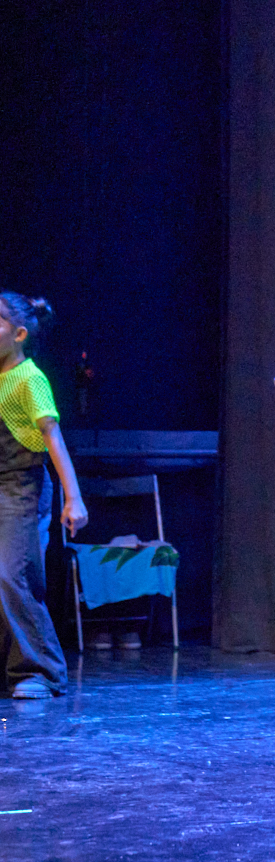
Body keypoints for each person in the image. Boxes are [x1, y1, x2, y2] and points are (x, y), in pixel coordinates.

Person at [0, 293, 88, 699]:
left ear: (19, 334)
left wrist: (74, 497)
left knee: (12, 575)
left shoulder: (29, 378)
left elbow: (53, 438)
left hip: (22, 486)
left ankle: (42, 670)